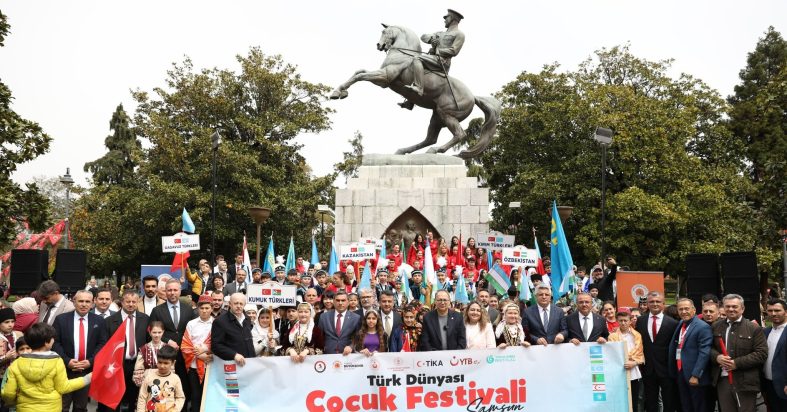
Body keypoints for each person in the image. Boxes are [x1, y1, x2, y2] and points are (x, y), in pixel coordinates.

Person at [2, 323, 91, 412]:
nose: (54, 340)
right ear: (46, 342)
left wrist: (13, 403)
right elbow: (63, 387)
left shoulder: (16, 364)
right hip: (51, 408)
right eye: (52, 339)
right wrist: (87, 378)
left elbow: (8, 393)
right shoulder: (56, 361)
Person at [710, 294, 768, 412]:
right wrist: (717, 357)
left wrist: (736, 363)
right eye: (728, 306)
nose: (731, 309)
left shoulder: (753, 328)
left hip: (745, 382)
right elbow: (708, 348)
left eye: (735, 306)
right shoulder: (716, 326)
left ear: (742, 308)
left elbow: (761, 353)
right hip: (722, 380)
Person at [52, 290, 107, 412]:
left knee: (81, 407)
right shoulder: (61, 319)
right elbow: (55, 343)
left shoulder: (99, 321)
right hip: (64, 370)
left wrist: (91, 361)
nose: (84, 304)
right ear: (74, 301)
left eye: (87, 301)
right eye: (81, 301)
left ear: (93, 303)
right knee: (62, 406)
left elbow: (102, 344)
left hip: (86, 371)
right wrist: (67, 361)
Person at [148, 279, 196, 404]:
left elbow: (193, 331)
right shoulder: (157, 311)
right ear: (165, 291)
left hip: (185, 356)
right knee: (166, 389)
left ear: (180, 291)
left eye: (175, 290)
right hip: (165, 356)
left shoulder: (188, 309)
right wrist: (167, 340)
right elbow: (151, 331)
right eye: (169, 290)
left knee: (183, 388)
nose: (172, 293)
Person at [103, 288, 149, 411]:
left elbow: (148, 341)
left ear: (138, 302)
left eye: (134, 302)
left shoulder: (145, 319)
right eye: (128, 301)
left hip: (137, 365)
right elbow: (105, 345)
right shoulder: (109, 321)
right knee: (115, 399)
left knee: (134, 398)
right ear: (122, 302)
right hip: (117, 365)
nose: (131, 304)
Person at [635, 291, 678, 412]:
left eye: (658, 301)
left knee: (669, 401)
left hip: (667, 369)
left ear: (663, 304)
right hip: (648, 368)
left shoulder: (672, 323)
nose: (655, 304)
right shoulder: (640, 321)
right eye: (652, 302)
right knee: (650, 401)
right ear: (647, 304)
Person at [667, 298, 713, 412]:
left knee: (698, 406)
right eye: (680, 309)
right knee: (686, 406)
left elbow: (704, 352)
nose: (683, 312)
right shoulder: (682, 323)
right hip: (681, 372)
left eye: (686, 309)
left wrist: (696, 375)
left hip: (694, 375)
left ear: (694, 310)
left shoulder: (703, 327)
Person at [180, 294, 213, 412]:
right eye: (202, 308)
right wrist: (200, 356)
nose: (204, 311)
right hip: (194, 366)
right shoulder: (191, 324)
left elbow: (218, 344)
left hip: (210, 366)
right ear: (197, 309)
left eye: (207, 308)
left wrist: (206, 351)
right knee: (195, 394)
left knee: (208, 394)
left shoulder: (216, 324)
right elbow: (185, 345)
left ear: (212, 309)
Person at [608, 309, 644, 412]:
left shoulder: (637, 335)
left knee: (634, 400)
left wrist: (634, 362)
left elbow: (640, 355)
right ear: (617, 321)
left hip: (633, 372)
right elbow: (611, 355)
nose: (623, 323)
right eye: (621, 321)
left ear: (630, 321)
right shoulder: (612, 336)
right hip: (619, 372)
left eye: (625, 320)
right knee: (620, 400)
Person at [135, 345, 185, 412]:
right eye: (160, 362)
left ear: (173, 363)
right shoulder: (149, 376)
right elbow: (142, 397)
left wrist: (174, 410)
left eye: (166, 363)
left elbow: (180, 397)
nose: (162, 366)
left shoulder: (175, 379)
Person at [211, 293, 255, 366]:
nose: (238, 306)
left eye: (241, 304)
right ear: (230, 304)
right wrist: (234, 355)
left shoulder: (247, 319)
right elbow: (216, 346)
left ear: (244, 305)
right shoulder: (220, 321)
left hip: (249, 363)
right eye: (236, 303)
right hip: (232, 364)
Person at [762, 299, 787, 411]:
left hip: (784, 384)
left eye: (777, 310)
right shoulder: (765, 332)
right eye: (770, 310)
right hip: (768, 384)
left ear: (785, 312)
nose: (773, 314)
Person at [318, 291, 360, 355]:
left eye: (343, 300)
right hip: (328, 354)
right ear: (334, 302)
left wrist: (351, 347)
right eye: (338, 300)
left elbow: (358, 337)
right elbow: (320, 337)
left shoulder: (356, 318)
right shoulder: (324, 317)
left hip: (347, 356)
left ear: (348, 302)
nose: (340, 303)